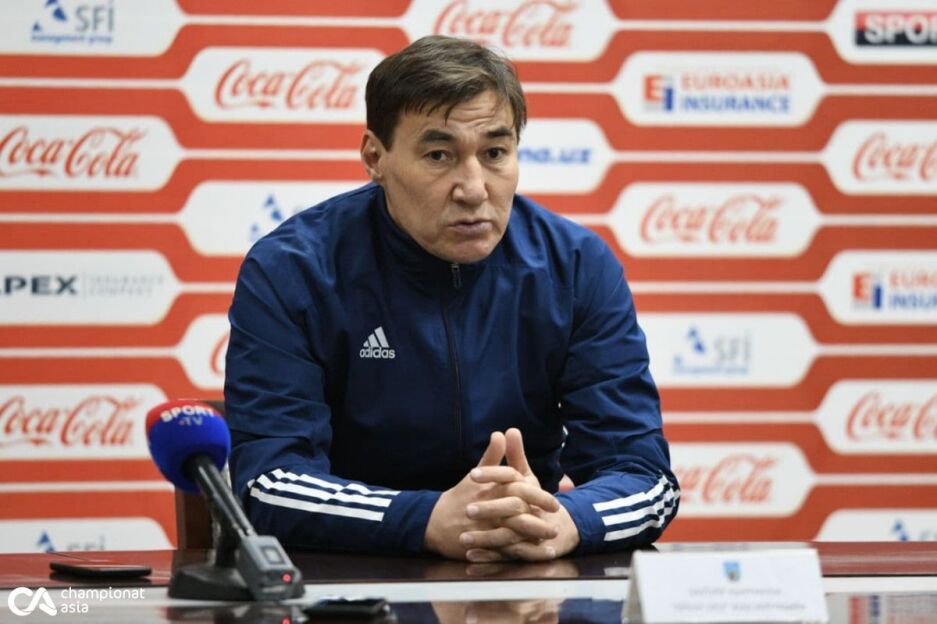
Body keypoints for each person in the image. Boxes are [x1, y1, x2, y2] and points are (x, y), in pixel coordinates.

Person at [224, 35, 678, 562]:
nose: (474, 188)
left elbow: (646, 478)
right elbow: (268, 485)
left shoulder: (576, 266)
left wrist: (567, 520)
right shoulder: (292, 270)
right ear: (375, 157)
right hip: (349, 578)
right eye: (439, 155)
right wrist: (426, 519)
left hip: (528, 572)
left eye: (494, 153)